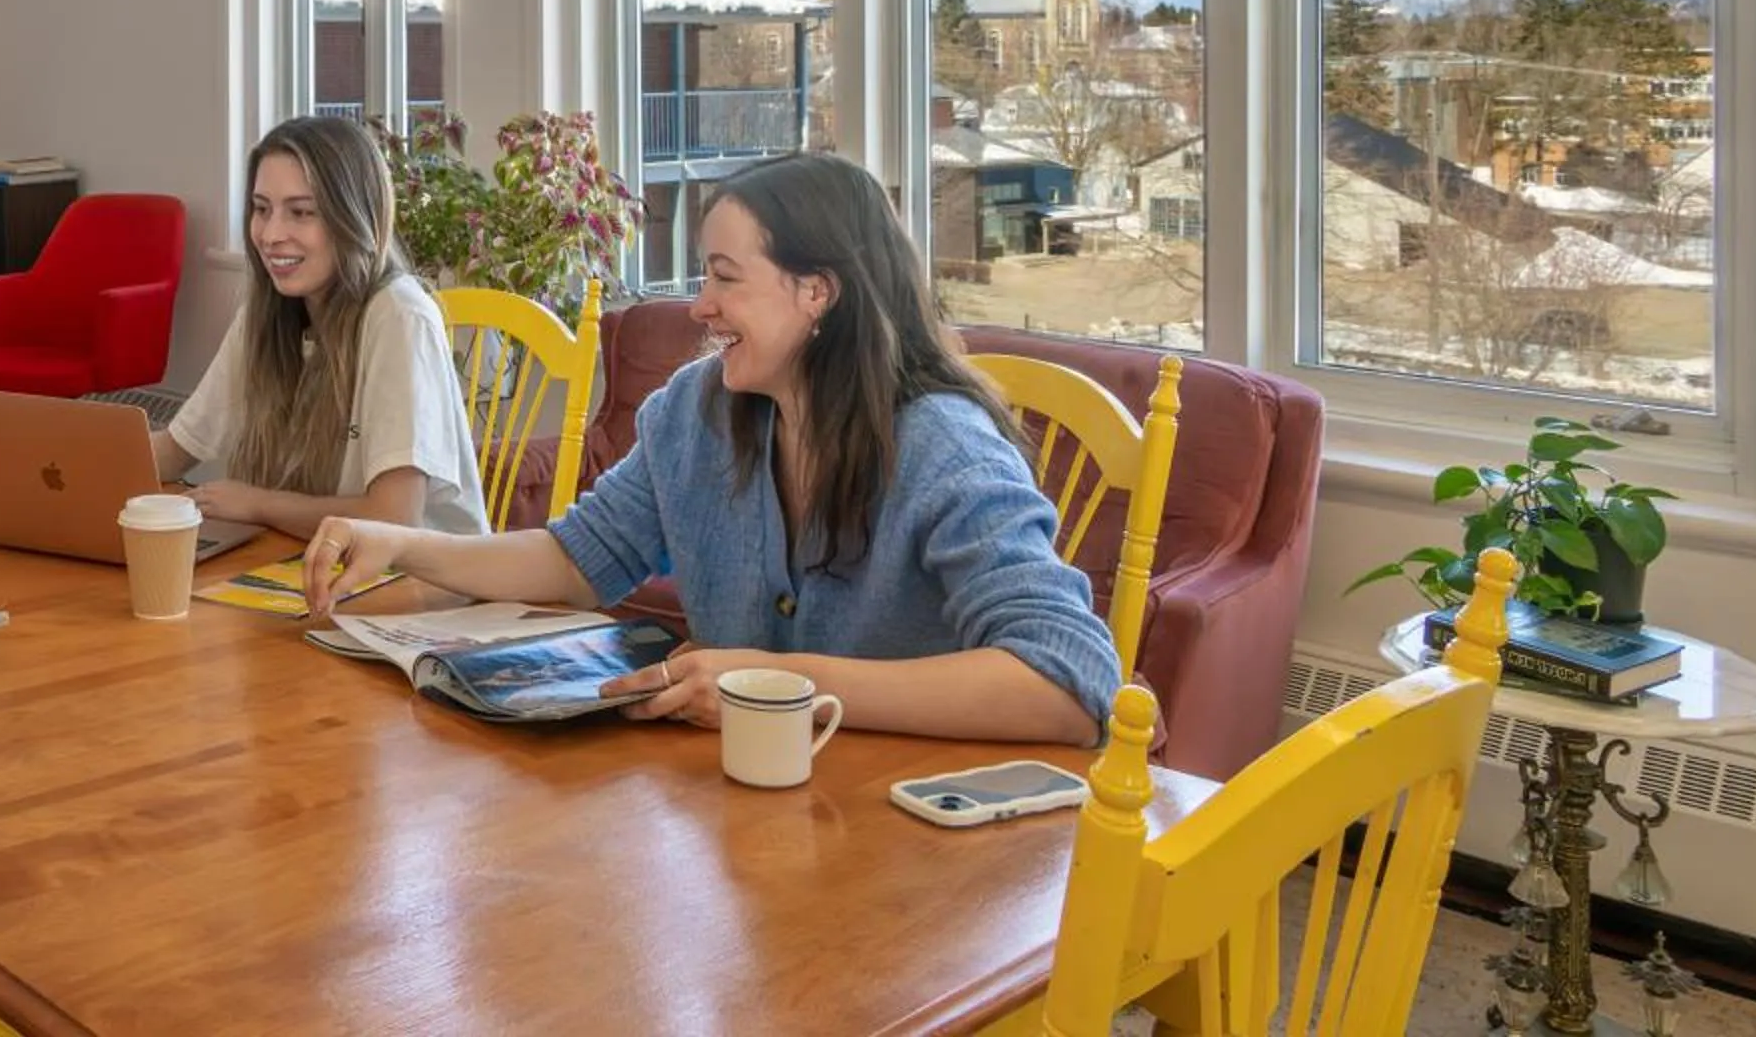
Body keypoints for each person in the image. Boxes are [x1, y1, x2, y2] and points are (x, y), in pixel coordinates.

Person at [304, 153, 1118, 745]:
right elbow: (576, 559)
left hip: (914, 841)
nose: (701, 307)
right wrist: (405, 545)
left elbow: (1069, 681)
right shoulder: (694, 411)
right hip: (756, 817)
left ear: (816, 292)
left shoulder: (943, 447)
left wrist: (779, 685)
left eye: (726, 278)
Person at [148, 114, 488, 540]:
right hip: (309, 564)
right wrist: (66, 466)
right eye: (261, 209)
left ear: (353, 217)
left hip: (416, 587)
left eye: (301, 212)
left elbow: (393, 519)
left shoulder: (399, 317)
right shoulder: (266, 311)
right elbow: (176, 450)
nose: (271, 234)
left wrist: (257, 504)